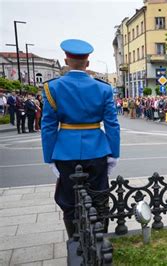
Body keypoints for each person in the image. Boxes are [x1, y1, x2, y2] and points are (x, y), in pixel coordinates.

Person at [41, 39, 120, 239]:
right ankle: (100, 244)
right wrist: (114, 153)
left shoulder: (53, 87)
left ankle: (75, 243)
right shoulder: (103, 89)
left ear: (66, 60)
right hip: (97, 149)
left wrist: (49, 157)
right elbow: (112, 124)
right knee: (99, 199)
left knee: (69, 201)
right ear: (88, 63)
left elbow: (48, 126)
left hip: (65, 151)